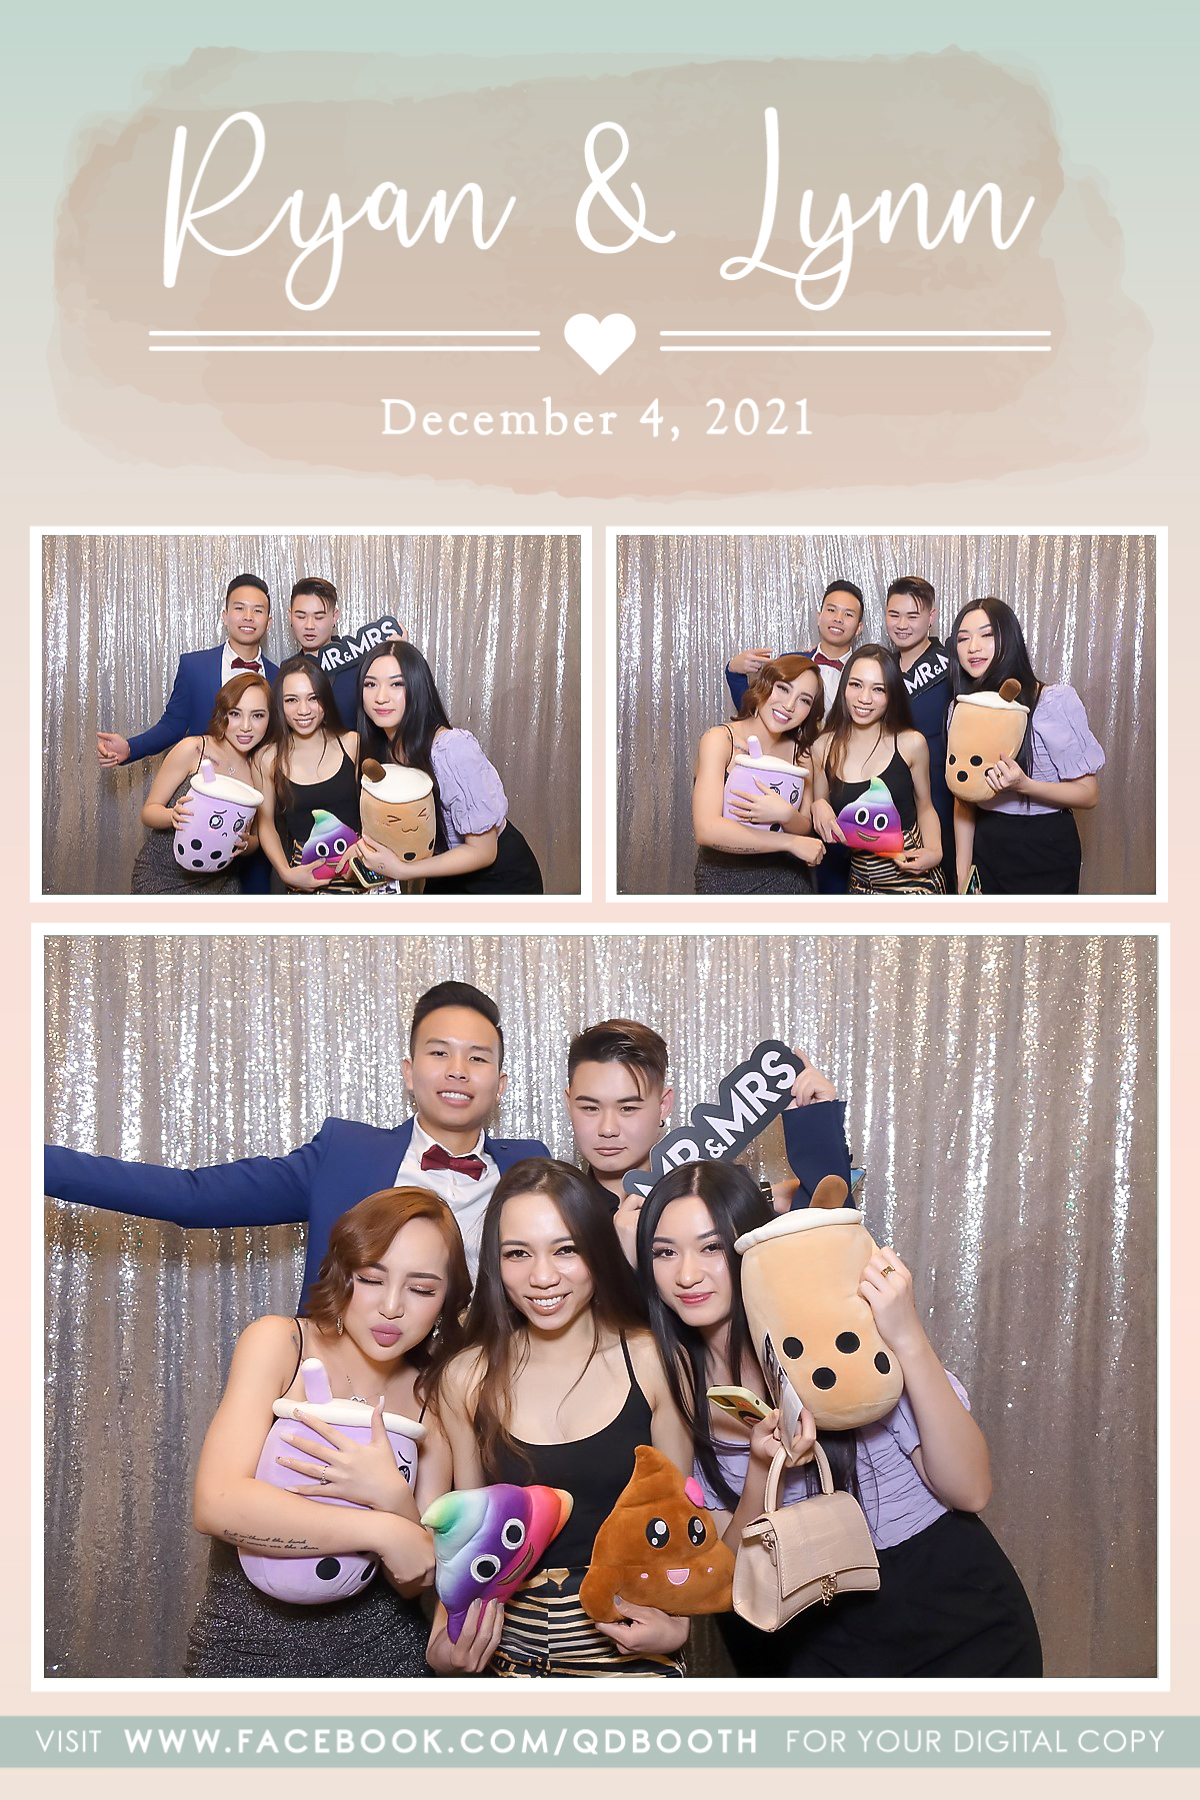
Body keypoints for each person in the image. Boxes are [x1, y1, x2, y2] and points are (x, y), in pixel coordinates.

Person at [636, 1159, 1042, 1678]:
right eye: (665, 1252)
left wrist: (907, 1336)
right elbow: (725, 1571)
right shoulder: (671, 1388)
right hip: (808, 1642)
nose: (687, 1274)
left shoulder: (837, 1339)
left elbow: (971, 1491)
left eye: (712, 1247)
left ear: (753, 1249)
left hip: (954, 1617)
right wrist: (762, 1468)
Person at [44, 981, 550, 1299]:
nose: (458, 1070)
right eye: (439, 1053)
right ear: (409, 1072)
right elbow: (191, 1196)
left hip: (489, 1398)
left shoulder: (532, 1167)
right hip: (355, 1397)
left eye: (477, 1058)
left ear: (500, 1083)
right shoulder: (345, 1155)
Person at [426, 1160, 694, 1678]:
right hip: (508, 1660)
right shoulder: (466, 1377)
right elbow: (465, 1543)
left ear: (597, 1250)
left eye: (566, 1249)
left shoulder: (655, 1361)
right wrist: (444, 1643)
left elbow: (679, 1519)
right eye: (517, 1254)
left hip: (633, 1658)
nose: (542, 1276)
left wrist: (679, 1625)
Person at [187, 1187, 469, 1678]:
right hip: (244, 1647)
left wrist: (393, 1500)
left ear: (447, 1298)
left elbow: (415, 1574)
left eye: (422, 1290)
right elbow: (216, 1504)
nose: (392, 1307)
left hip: (383, 1657)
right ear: (343, 1272)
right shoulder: (281, 1342)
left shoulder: (436, 1396)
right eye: (371, 1279)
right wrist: (381, 1529)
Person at [564, 1020, 853, 1257]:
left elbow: (829, 1249)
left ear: (663, 1105)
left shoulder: (723, 1199)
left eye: (628, 1108)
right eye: (590, 1108)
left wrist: (814, 1123)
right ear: (568, 1104)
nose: (608, 1128)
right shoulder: (552, 1213)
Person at [351, 642, 543, 895]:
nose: (381, 696)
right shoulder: (381, 750)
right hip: (442, 872)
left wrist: (403, 870)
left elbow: (484, 852)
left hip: (499, 878)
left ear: (418, 688)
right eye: (370, 684)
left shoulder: (452, 748)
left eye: (397, 684)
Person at [949, 598, 1104, 894]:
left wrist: (1024, 785)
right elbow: (963, 799)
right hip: (987, 842)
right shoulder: (960, 709)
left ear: (1010, 639)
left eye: (987, 635)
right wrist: (962, 877)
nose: (973, 647)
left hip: (1046, 846)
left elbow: (1089, 793)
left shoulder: (1051, 701)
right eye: (963, 638)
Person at [96, 575, 279, 769]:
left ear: (268, 622)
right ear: (225, 616)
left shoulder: (279, 677)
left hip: (260, 780)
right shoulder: (194, 667)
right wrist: (130, 748)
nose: (248, 617)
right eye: (240, 608)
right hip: (205, 779)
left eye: (257, 610)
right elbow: (173, 725)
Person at [810, 645, 946, 894]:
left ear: (892, 695)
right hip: (861, 884)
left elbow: (925, 806)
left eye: (878, 689)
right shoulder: (823, 747)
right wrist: (817, 803)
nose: (864, 698)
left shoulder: (910, 743)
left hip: (915, 881)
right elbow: (822, 814)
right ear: (844, 687)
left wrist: (934, 852)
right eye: (856, 685)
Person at [692, 655, 826, 894]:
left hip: (788, 879)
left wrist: (787, 815)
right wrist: (789, 842)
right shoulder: (721, 740)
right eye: (783, 688)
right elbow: (707, 830)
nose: (789, 705)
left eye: (804, 700)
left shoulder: (801, 754)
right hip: (723, 879)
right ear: (764, 684)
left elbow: (805, 828)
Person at [130, 673, 272, 895]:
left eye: (257, 715)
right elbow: (148, 812)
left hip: (221, 882)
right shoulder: (194, 749)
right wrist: (172, 815)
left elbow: (255, 838)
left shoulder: (260, 769)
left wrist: (246, 845)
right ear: (222, 714)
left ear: (270, 719)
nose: (246, 726)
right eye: (235, 714)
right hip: (161, 875)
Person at [255, 656, 362, 894]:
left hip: (358, 871)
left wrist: (364, 849)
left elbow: (374, 813)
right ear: (279, 705)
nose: (303, 710)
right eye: (291, 700)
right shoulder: (268, 757)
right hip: (304, 879)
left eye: (313, 698)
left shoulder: (352, 744)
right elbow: (266, 824)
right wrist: (285, 872)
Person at [883, 576, 955, 887]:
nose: (902, 625)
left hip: (944, 799)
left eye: (912, 616)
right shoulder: (881, 669)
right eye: (894, 615)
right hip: (890, 800)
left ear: (931, 617)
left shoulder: (953, 665)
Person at [724, 581, 865, 714]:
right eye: (831, 610)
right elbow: (753, 712)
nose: (838, 618)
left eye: (848, 614)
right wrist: (734, 672)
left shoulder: (866, 672)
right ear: (819, 617)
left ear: (859, 628)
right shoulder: (788, 662)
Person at [288, 576, 407, 722]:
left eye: (319, 617)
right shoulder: (287, 670)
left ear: (334, 616)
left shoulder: (365, 663)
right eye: (301, 617)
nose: (309, 626)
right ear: (290, 616)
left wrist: (401, 658)